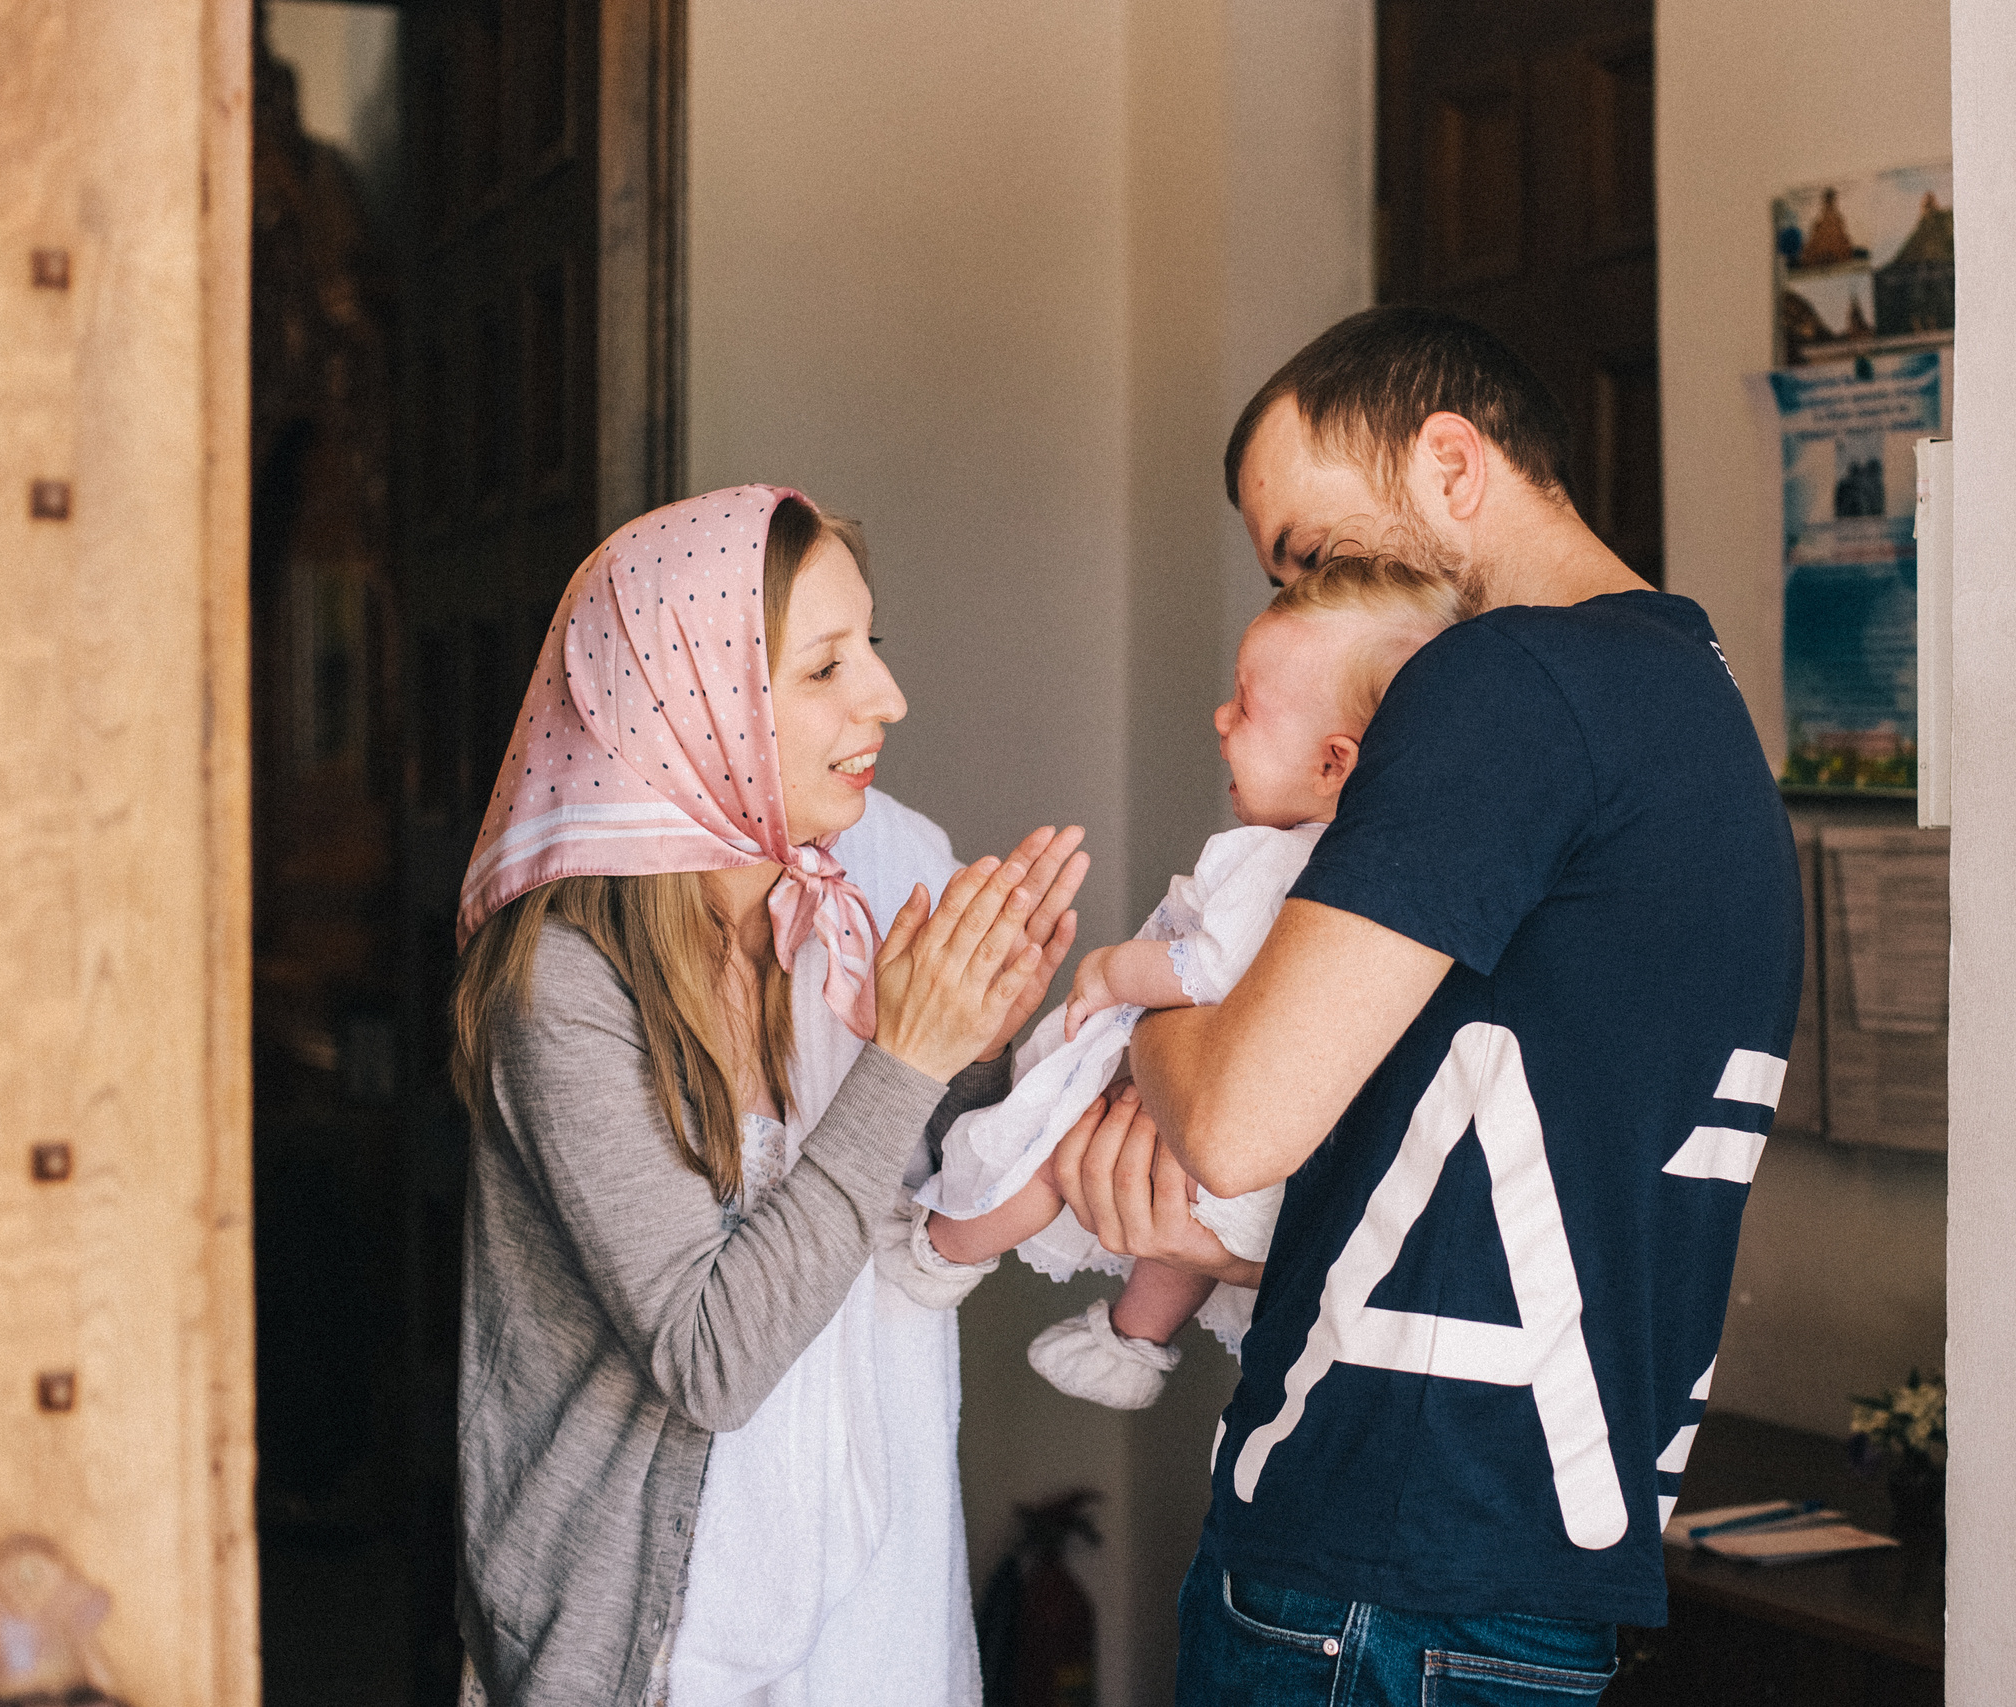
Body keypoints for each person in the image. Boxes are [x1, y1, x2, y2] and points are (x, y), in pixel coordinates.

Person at [1055, 307, 1805, 1703]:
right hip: (1535, 1567)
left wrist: (1141, 1022)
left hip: (1370, 1584)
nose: (1314, 606)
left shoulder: (1505, 677)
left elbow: (1233, 1115)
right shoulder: (1690, 706)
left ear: (1452, 461)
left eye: (1317, 553)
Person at [448, 484, 1095, 1707]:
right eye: (822, 669)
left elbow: (903, 1204)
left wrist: (985, 1054)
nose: (886, 699)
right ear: (686, 706)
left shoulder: (875, 876)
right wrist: (907, 1056)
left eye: (874, 648)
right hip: (653, 1654)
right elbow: (713, 1357)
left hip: (866, 1621)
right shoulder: (567, 989)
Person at [883, 556, 1462, 1410]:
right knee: (1172, 1231)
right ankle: (1134, 1338)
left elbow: (1204, 969)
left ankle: (938, 1250)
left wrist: (1111, 969)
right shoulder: (1373, 872)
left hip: (1206, 1100)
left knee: (1048, 1150)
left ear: (1335, 763)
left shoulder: (1281, 859)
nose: (1221, 717)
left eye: (1247, 704)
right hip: (1269, 1166)